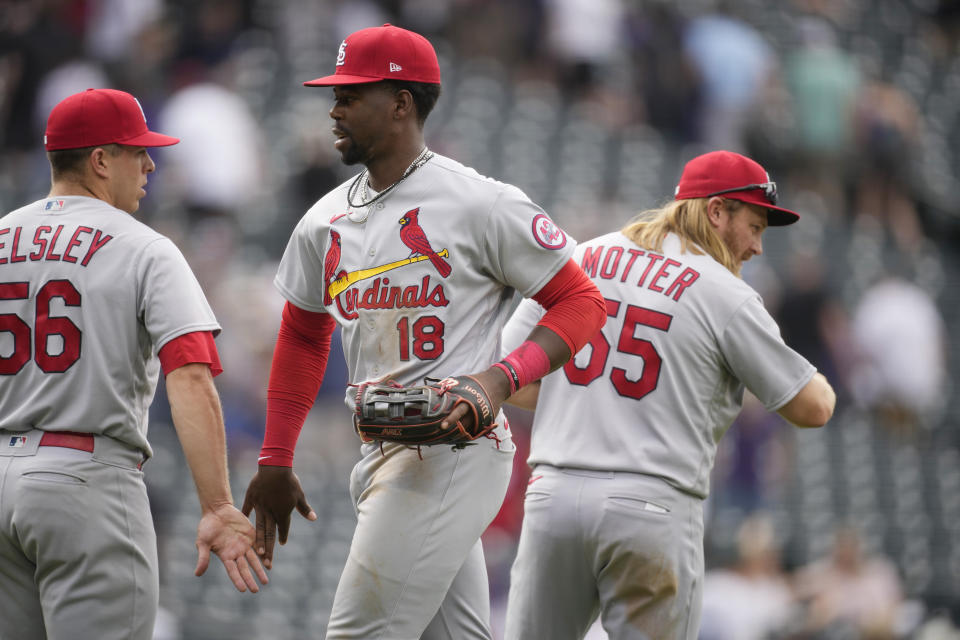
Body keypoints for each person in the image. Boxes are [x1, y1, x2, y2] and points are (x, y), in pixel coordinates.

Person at [240, 23, 606, 639]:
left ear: (401, 103)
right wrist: (276, 457)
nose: (334, 109)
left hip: (453, 452)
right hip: (381, 448)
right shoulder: (322, 220)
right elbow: (304, 335)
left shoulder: (479, 203)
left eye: (351, 96)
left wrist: (500, 377)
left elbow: (581, 301)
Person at [500, 149, 837, 639]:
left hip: (554, 498)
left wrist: (589, 397)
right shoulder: (725, 292)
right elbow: (814, 408)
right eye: (756, 226)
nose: (758, 247)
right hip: (652, 507)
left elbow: (511, 371)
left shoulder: (582, 256)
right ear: (717, 211)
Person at [0, 88, 267, 640]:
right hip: (85, 481)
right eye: (136, 151)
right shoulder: (145, 247)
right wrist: (217, 504)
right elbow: (191, 377)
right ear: (100, 160)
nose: (150, 163)